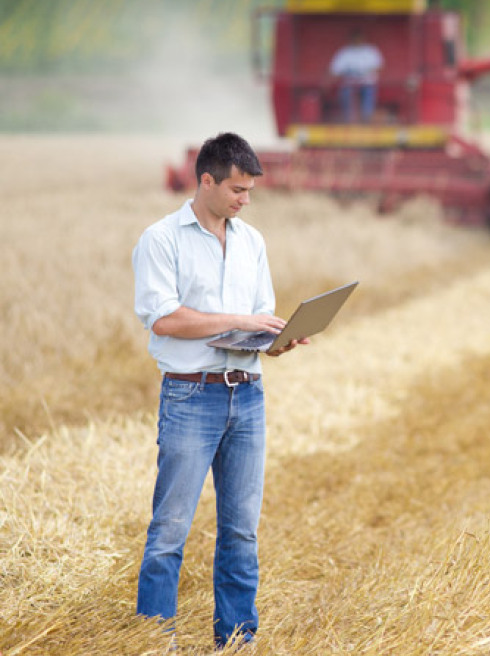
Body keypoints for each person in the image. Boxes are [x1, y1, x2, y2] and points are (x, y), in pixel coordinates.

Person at [132, 132, 307, 649]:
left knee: (242, 531)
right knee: (169, 531)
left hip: (248, 395)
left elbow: (256, 322)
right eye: (237, 189)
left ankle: (237, 639)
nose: (245, 200)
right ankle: (153, 641)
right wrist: (240, 320)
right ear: (206, 180)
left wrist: (277, 341)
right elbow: (164, 319)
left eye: (249, 190)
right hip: (191, 398)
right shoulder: (161, 239)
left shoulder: (252, 242)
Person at [329, 29, 384, 123]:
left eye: (359, 38)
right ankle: (348, 120)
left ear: (363, 39)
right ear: (351, 39)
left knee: (369, 93)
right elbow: (335, 70)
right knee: (345, 94)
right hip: (349, 84)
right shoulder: (344, 52)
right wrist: (348, 72)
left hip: (367, 83)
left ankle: (366, 119)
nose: (357, 41)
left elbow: (379, 67)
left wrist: (365, 72)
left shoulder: (370, 51)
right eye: (355, 38)